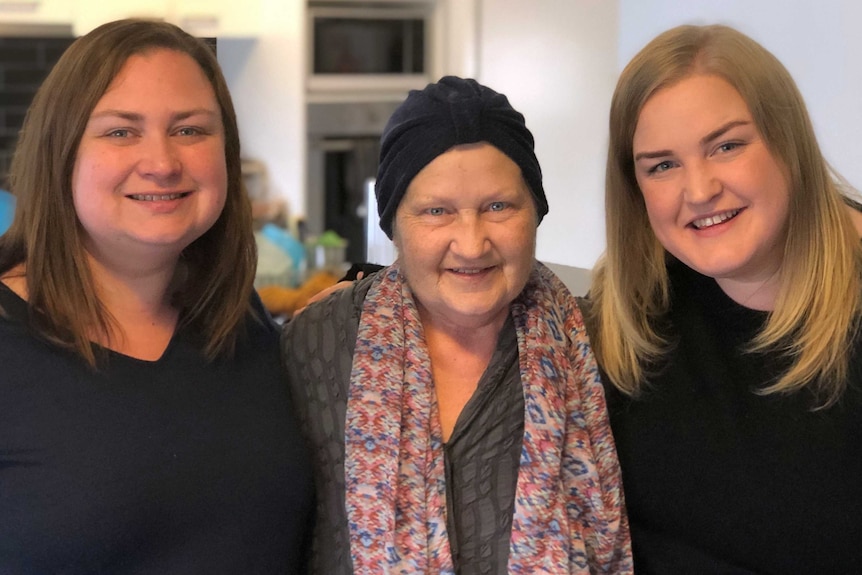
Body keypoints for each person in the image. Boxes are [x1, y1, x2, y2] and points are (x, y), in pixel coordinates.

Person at [282, 76, 632, 574]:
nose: (470, 244)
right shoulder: (318, 342)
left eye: (498, 206)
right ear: (394, 223)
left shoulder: (603, 344)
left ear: (536, 211)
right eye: (436, 211)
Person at [0, 19, 313, 573]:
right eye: (121, 131)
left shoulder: (243, 323)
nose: (163, 162)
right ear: (61, 150)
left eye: (190, 130)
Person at [586, 24, 862, 573]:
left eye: (727, 146)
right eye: (662, 165)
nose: (699, 190)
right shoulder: (626, 315)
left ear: (789, 141)